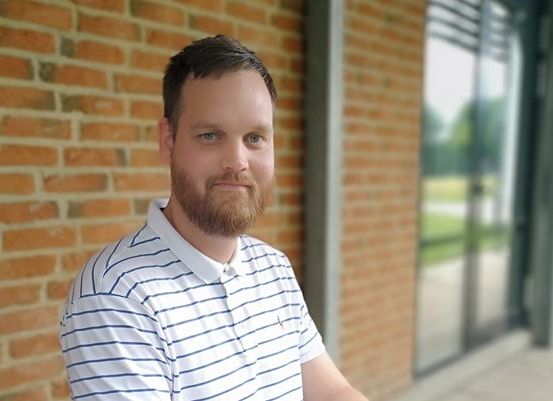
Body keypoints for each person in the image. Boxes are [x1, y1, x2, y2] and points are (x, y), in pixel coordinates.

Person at [60, 34, 367, 401]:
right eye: (210, 135)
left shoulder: (274, 268)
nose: (236, 160)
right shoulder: (117, 294)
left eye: (255, 137)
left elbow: (332, 392)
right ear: (168, 140)